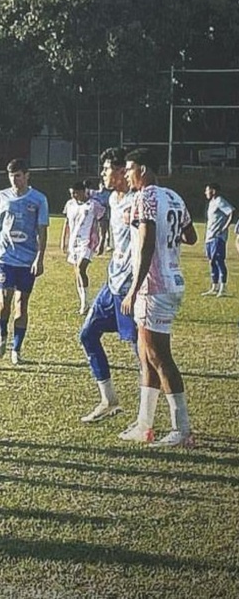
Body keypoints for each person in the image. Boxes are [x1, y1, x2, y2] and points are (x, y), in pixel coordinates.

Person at [119, 148, 197, 447]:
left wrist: (134, 288)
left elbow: (146, 244)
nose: (127, 174)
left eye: (130, 169)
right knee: (146, 356)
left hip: (155, 285)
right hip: (172, 279)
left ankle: (182, 428)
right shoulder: (173, 196)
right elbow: (190, 236)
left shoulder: (145, 197)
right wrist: (170, 235)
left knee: (159, 357)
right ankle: (144, 424)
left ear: (143, 170)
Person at [77, 148, 138, 423]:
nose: (102, 173)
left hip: (131, 288)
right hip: (112, 283)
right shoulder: (113, 198)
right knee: (87, 335)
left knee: (143, 353)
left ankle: (160, 416)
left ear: (122, 171)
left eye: (106, 169)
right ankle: (109, 400)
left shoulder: (139, 201)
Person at [0, 158, 49, 365]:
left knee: (22, 303)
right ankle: (2, 334)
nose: (14, 180)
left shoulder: (39, 199)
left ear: (27, 175)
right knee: (4, 298)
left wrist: (39, 258)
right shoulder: (1, 197)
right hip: (4, 257)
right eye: (11, 176)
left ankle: (16, 349)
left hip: (27, 260)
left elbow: (42, 231)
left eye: (18, 175)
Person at [60, 181, 104, 315]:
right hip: (74, 242)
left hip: (88, 241)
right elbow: (67, 222)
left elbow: (102, 221)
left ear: (83, 191)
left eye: (75, 193)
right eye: (71, 193)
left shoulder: (93, 205)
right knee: (77, 272)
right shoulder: (70, 205)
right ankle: (84, 303)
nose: (73, 195)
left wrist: (102, 240)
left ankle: (85, 302)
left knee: (81, 268)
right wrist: (63, 240)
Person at [201, 183, 233, 297]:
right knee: (212, 261)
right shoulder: (211, 203)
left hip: (218, 237)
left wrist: (224, 227)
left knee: (219, 260)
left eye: (207, 190)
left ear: (213, 191)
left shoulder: (220, 201)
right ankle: (214, 287)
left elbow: (231, 212)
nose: (206, 193)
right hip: (209, 237)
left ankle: (223, 288)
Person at [88, 177, 113, 255]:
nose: (102, 186)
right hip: (95, 216)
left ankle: (106, 245)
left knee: (104, 231)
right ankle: (95, 245)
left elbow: (108, 203)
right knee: (95, 231)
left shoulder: (108, 194)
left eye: (103, 185)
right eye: (101, 184)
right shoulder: (94, 193)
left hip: (104, 215)